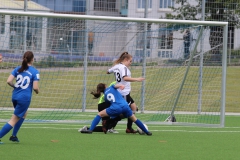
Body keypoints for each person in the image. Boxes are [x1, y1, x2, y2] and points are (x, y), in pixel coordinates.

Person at [81, 83, 152, 136]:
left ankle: (90, 129)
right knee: (135, 119)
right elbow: (116, 86)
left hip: (116, 107)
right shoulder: (111, 87)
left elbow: (110, 105)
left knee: (100, 114)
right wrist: (121, 86)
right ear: (105, 86)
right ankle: (147, 132)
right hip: (125, 106)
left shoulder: (105, 96)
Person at [0, 51, 40, 144]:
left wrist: (15, 86)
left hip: (15, 96)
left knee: (24, 113)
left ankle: (14, 136)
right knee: (14, 119)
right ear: (32, 59)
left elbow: (9, 81)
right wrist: (37, 91)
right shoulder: (34, 71)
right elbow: (35, 87)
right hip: (24, 98)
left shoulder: (18, 69)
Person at [107, 52, 144, 134]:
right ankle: (109, 124)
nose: (131, 63)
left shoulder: (117, 66)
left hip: (125, 93)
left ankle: (129, 128)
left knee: (134, 108)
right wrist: (137, 79)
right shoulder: (123, 68)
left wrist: (114, 71)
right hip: (123, 93)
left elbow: (108, 71)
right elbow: (125, 78)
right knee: (126, 111)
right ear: (126, 60)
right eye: (130, 61)